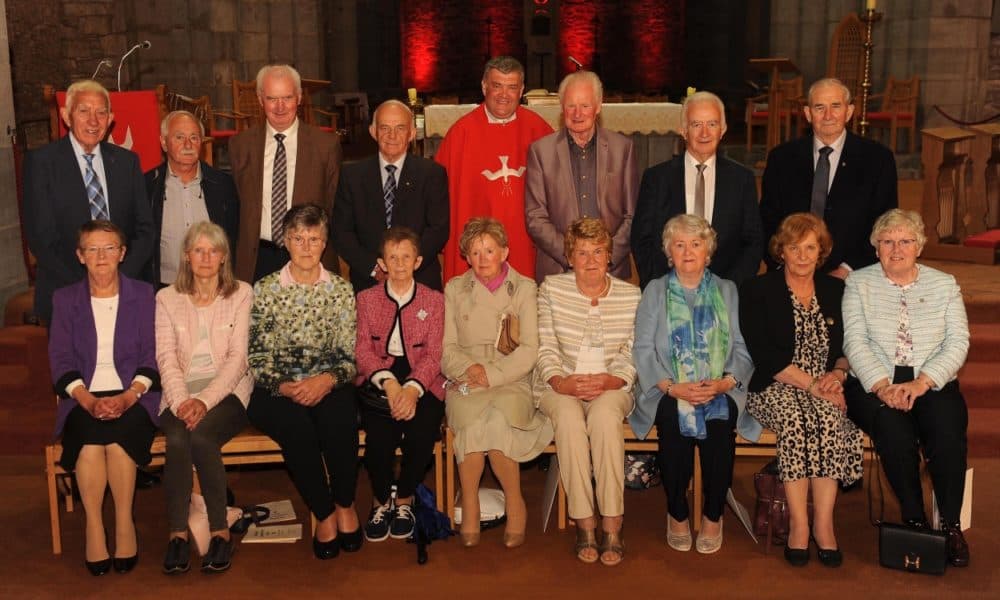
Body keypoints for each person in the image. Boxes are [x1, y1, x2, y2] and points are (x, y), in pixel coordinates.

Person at [843, 208, 970, 568]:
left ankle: (950, 525)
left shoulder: (944, 283)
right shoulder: (859, 283)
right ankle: (914, 520)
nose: (896, 249)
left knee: (946, 434)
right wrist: (883, 386)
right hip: (874, 383)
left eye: (905, 241)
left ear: (919, 246)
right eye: (887, 241)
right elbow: (855, 341)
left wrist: (923, 381)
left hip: (931, 380)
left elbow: (958, 342)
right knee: (894, 433)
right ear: (875, 246)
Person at [631, 214, 759, 554]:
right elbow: (642, 349)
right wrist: (672, 387)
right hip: (668, 389)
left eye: (696, 244)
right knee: (673, 418)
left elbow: (745, 349)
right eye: (680, 244)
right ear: (669, 253)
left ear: (708, 251)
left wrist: (724, 383)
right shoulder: (655, 291)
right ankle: (677, 512)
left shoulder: (727, 290)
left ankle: (714, 514)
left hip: (719, 385)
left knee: (720, 421)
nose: (688, 251)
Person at [740, 213, 863, 567]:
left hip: (826, 386)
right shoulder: (757, 290)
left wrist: (837, 377)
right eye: (795, 248)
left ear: (821, 251)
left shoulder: (837, 290)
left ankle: (824, 525)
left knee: (827, 417)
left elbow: (849, 347)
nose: (803, 255)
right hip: (775, 385)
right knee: (796, 419)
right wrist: (811, 384)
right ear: (782, 251)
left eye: (811, 248)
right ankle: (798, 523)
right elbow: (764, 356)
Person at [246, 204, 361, 560]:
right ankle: (323, 512)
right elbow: (257, 356)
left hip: (328, 381)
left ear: (325, 243)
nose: (307, 246)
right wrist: (284, 386)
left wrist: (325, 380)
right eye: (298, 238)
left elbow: (348, 356)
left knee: (340, 419)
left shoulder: (341, 290)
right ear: (285, 241)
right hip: (277, 389)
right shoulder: (265, 289)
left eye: (314, 239)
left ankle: (344, 503)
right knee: (296, 428)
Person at [47, 220, 160, 575]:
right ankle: (94, 526)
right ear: (80, 256)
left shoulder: (144, 295)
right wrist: (89, 401)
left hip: (136, 396)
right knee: (92, 443)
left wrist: (127, 398)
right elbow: (60, 360)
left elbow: (152, 357)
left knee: (118, 440)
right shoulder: (64, 300)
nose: (101, 256)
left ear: (122, 254)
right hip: (82, 396)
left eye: (109, 247)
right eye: (92, 249)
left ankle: (124, 523)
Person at [534, 217, 640, 566]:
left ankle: (613, 521)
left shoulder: (630, 294)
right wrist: (561, 382)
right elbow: (545, 347)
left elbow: (632, 352)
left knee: (607, 418)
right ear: (569, 257)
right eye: (582, 253)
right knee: (567, 418)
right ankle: (585, 522)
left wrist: (612, 380)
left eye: (598, 252)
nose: (591, 260)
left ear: (610, 256)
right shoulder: (551, 288)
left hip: (612, 384)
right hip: (560, 383)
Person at [442, 217, 552, 548]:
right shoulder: (454, 289)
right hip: (466, 377)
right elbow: (446, 349)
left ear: (504, 252)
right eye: (475, 252)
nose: (483, 258)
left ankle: (514, 502)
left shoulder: (525, 288)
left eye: (489, 250)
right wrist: (470, 369)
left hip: (511, 377)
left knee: (498, 420)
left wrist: (491, 375)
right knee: (473, 422)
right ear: (467, 257)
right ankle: (471, 503)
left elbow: (530, 349)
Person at [155, 221, 253, 574]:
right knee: (179, 437)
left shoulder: (241, 293)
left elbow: (238, 360)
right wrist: (183, 400)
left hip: (227, 392)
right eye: (199, 250)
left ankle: (219, 532)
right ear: (186, 256)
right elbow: (165, 358)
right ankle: (178, 534)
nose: (206, 257)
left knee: (202, 434)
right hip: (178, 394)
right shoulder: (166, 298)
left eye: (214, 250)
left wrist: (204, 401)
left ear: (224, 257)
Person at [24, 79, 154, 324]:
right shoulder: (42, 164)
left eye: (101, 112)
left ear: (111, 118)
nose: (93, 121)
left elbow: (145, 229)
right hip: (67, 293)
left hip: (125, 292)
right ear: (66, 115)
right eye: (84, 111)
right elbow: (40, 237)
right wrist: (89, 286)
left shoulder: (127, 163)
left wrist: (117, 280)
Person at [354, 227, 446, 542]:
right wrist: (392, 385)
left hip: (424, 378)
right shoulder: (366, 299)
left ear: (417, 261)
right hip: (381, 373)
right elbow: (362, 350)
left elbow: (435, 354)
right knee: (379, 438)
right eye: (392, 258)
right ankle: (381, 500)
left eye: (406, 257)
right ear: (382, 262)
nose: (400, 263)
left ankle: (405, 498)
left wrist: (412, 388)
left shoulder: (434, 301)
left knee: (421, 432)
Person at [760, 78, 898, 276]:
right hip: (789, 273)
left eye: (835, 106)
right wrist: (784, 264)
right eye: (819, 107)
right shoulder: (781, 158)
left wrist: (848, 269)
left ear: (849, 112)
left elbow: (886, 224)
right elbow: (767, 219)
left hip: (853, 276)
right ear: (808, 114)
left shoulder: (878, 159)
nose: (828, 116)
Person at [435, 56, 553, 281]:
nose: (504, 95)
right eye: (497, 86)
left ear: (521, 90)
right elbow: (438, 197)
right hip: (476, 245)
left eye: (512, 87)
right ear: (484, 86)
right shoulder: (461, 134)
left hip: (523, 242)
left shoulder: (538, 130)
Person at [630, 91, 763, 289]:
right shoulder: (656, 178)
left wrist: (728, 288)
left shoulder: (741, 179)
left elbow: (753, 242)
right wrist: (661, 288)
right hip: (667, 292)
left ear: (723, 129)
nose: (704, 133)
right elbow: (642, 239)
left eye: (712, 124)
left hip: (724, 293)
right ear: (683, 130)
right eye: (696, 125)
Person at [230, 64, 343, 282]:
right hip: (256, 259)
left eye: (288, 98)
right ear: (260, 99)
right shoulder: (240, 145)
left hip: (309, 258)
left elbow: (331, 204)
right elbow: (239, 203)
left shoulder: (325, 146)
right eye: (272, 98)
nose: (280, 107)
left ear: (299, 98)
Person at [525, 71, 638, 283]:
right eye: (571, 106)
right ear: (562, 108)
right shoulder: (540, 152)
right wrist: (572, 256)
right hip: (559, 271)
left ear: (598, 106)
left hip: (611, 272)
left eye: (585, 106)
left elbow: (632, 215)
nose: (577, 114)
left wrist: (605, 257)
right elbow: (535, 217)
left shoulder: (623, 149)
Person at [332, 100, 449, 292]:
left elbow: (438, 229)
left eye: (400, 128)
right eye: (384, 127)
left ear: (411, 133)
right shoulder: (351, 175)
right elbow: (342, 232)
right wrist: (374, 267)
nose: (392, 135)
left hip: (420, 280)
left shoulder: (432, 174)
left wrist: (405, 266)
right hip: (368, 281)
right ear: (373, 131)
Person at [146, 111, 240, 288]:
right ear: (164, 143)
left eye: (194, 138)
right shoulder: (147, 187)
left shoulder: (223, 185)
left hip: (213, 288)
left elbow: (233, 238)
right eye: (179, 137)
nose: (187, 144)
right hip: (165, 289)